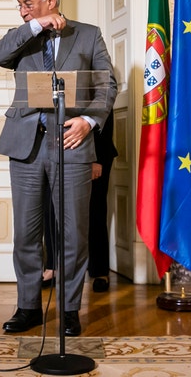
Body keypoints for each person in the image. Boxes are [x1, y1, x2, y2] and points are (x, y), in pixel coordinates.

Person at [0, 0, 117, 336]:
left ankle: (70, 309)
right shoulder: (22, 36)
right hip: (26, 145)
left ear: (51, 0)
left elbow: (107, 84)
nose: (21, 10)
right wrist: (34, 26)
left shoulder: (88, 34)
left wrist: (89, 122)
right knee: (26, 233)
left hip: (72, 143)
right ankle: (28, 307)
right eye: (19, 4)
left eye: (27, 3)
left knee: (73, 233)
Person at [43, 114, 118, 293]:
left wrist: (96, 158)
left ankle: (99, 270)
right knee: (50, 208)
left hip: (92, 154)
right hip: (52, 151)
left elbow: (104, 114)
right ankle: (53, 266)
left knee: (95, 210)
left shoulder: (101, 85)